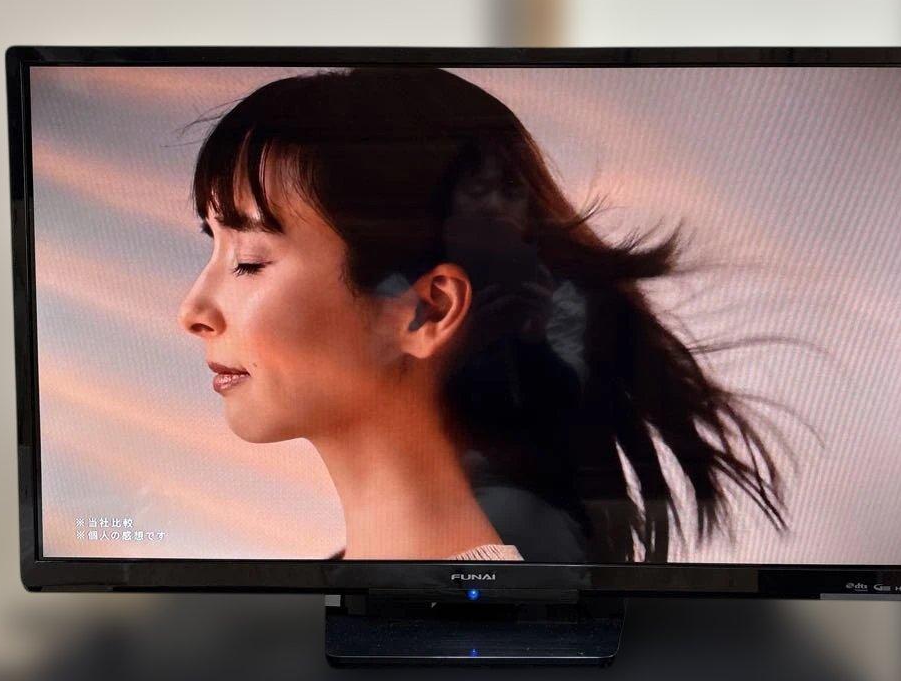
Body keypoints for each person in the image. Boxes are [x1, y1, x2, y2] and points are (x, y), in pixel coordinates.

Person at [176, 67, 786, 562]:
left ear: (428, 311)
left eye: (248, 262)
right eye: (214, 245)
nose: (193, 312)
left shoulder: (491, 646)